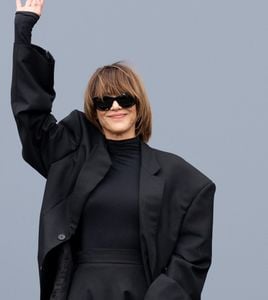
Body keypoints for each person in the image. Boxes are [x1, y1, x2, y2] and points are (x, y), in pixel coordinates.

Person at [11, 1, 217, 299]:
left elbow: (191, 259)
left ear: (138, 103)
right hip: (78, 292)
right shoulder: (70, 159)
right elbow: (31, 119)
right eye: (104, 102)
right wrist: (23, 30)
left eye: (124, 98)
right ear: (94, 110)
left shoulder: (184, 181)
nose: (116, 106)